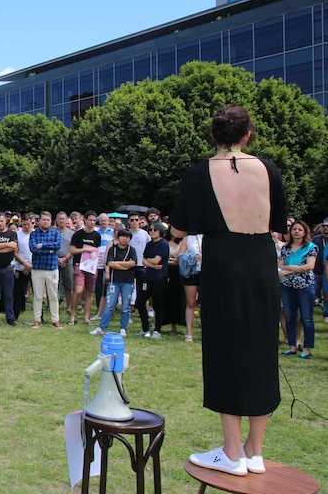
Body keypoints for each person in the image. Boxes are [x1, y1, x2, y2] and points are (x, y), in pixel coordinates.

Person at [170, 105, 288, 477]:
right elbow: (278, 223)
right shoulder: (269, 169)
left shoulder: (197, 173)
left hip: (223, 261)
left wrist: (175, 242)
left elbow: (179, 229)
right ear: (248, 134)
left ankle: (233, 452)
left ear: (213, 136)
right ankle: (255, 451)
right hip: (262, 262)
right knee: (261, 348)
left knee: (224, 350)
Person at [278, 219, 317, 359]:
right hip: (287, 286)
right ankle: (292, 346)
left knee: (306, 318)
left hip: (305, 286)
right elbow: (280, 265)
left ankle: (307, 349)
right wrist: (294, 268)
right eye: (294, 229)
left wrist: (289, 270)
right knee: (290, 317)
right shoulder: (286, 248)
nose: (296, 232)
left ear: (305, 232)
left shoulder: (311, 247)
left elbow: (309, 266)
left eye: (300, 230)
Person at [91, 228, 136, 337]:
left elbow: (133, 263)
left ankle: (123, 328)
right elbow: (110, 263)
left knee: (126, 306)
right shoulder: (113, 249)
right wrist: (125, 265)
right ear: (118, 237)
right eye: (122, 236)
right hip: (114, 281)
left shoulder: (132, 250)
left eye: (127, 237)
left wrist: (118, 264)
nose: (124, 239)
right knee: (109, 305)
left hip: (128, 281)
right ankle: (102, 327)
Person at [135, 221, 170, 339]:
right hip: (148, 276)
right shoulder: (149, 244)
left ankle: (157, 330)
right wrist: (153, 265)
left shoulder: (164, 244)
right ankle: (145, 328)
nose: (152, 232)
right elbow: (144, 260)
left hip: (159, 278)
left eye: (155, 230)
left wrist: (151, 263)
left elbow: (156, 260)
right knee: (139, 302)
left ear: (161, 231)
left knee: (157, 304)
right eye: (150, 230)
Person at [29, 211, 62, 329]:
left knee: (53, 296)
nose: (45, 222)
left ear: (51, 221)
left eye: (48, 220)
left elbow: (58, 246)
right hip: (37, 269)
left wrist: (42, 245)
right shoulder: (34, 234)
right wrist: (49, 249)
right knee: (37, 296)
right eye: (43, 219)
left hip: (52, 268)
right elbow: (33, 248)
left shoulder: (55, 232)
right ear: (39, 221)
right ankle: (37, 320)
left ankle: (55, 320)